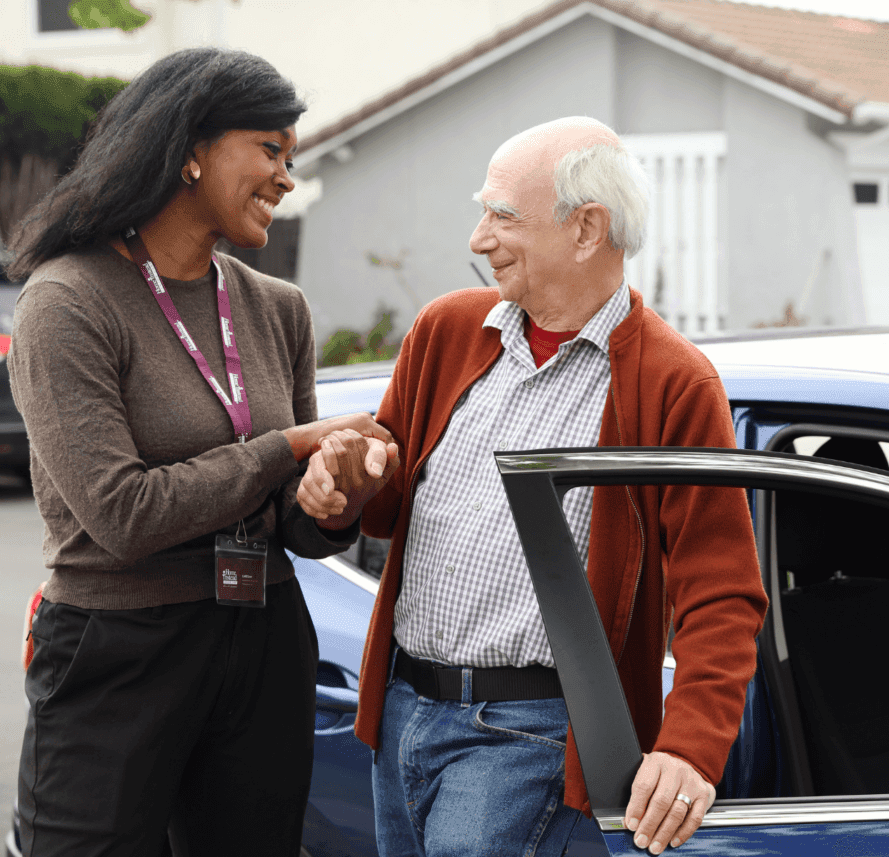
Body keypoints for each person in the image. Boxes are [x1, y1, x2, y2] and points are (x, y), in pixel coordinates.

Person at [296, 117, 769, 856]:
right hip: (399, 713)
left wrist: (690, 749)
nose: (478, 238)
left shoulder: (671, 383)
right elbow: (384, 497)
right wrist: (346, 488)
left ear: (586, 229)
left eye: (501, 216)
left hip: (529, 736)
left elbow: (723, 593)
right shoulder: (445, 330)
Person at [6, 48, 394, 856]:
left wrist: (334, 495)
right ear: (189, 149)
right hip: (117, 647)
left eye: (293, 156)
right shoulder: (66, 302)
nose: (287, 176)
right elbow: (122, 513)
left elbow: (294, 520)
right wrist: (285, 446)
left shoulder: (278, 308)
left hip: (262, 637)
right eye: (270, 148)